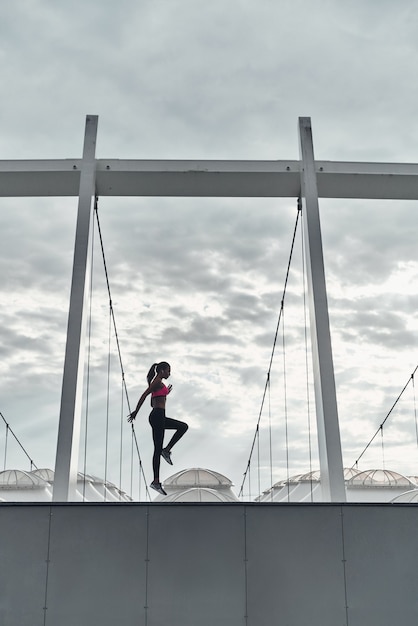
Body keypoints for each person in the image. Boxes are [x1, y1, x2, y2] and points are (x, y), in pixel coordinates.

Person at [128, 361, 188, 495]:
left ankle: (166, 450)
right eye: (168, 370)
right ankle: (156, 481)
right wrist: (136, 411)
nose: (169, 373)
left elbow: (152, 402)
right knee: (157, 448)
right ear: (162, 371)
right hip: (157, 416)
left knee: (183, 427)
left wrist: (165, 394)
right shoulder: (156, 382)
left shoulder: (159, 383)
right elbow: (144, 395)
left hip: (158, 415)